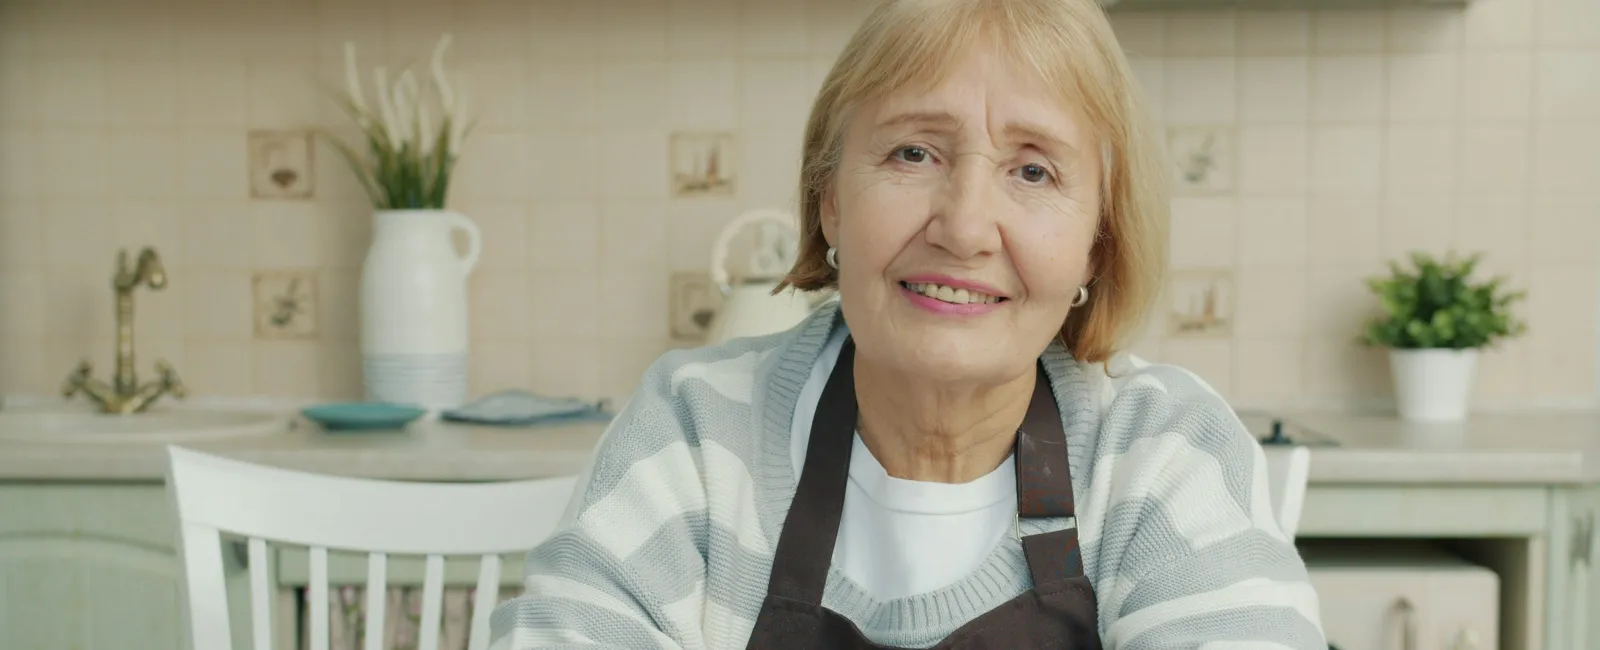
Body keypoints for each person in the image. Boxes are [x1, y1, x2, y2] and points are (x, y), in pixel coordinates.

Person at [490, 0, 1326, 646]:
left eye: (1032, 170)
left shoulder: (1160, 453)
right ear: (829, 201)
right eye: (912, 153)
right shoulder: (695, 432)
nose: (964, 227)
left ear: (1098, 245)